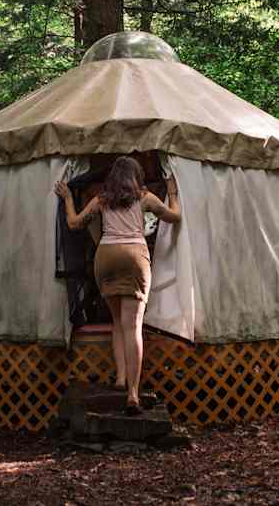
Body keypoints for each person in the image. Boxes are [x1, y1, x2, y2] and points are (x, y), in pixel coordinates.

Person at [55, 156, 180, 413]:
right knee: (133, 325)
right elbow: (174, 217)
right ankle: (133, 394)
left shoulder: (101, 199)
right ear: (135, 176)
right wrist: (172, 192)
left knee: (117, 322)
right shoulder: (144, 197)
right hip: (134, 255)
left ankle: (121, 378)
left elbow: (74, 223)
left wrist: (68, 197)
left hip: (107, 256)